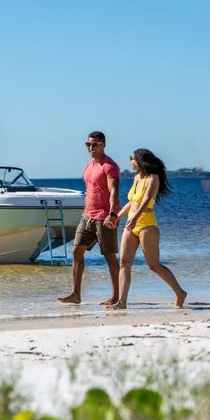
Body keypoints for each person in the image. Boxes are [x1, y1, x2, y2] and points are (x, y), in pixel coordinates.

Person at [107, 148, 187, 309]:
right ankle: (122, 302)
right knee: (124, 262)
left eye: (132, 159)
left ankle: (180, 292)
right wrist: (117, 217)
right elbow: (132, 202)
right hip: (131, 223)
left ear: (139, 160)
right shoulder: (137, 177)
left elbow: (147, 199)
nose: (130, 163)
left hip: (146, 224)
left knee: (154, 265)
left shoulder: (153, 177)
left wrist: (135, 218)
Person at [57, 131, 121, 306]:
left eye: (95, 144)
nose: (91, 148)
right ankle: (75, 294)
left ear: (103, 145)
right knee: (77, 250)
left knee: (109, 257)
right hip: (88, 216)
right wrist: (86, 211)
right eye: (88, 145)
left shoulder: (110, 166)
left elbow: (114, 191)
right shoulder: (88, 167)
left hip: (105, 217)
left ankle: (116, 296)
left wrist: (113, 214)